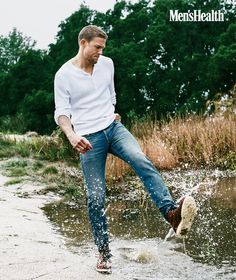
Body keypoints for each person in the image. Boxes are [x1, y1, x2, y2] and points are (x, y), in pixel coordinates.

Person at [54, 25, 197, 274]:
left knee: (140, 160)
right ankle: (103, 252)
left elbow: (110, 95)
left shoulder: (107, 64)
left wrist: (112, 113)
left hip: (113, 127)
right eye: (97, 47)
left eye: (102, 48)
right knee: (96, 197)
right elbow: (62, 112)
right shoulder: (64, 75)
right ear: (83, 43)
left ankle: (172, 214)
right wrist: (71, 134)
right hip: (88, 138)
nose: (100, 52)